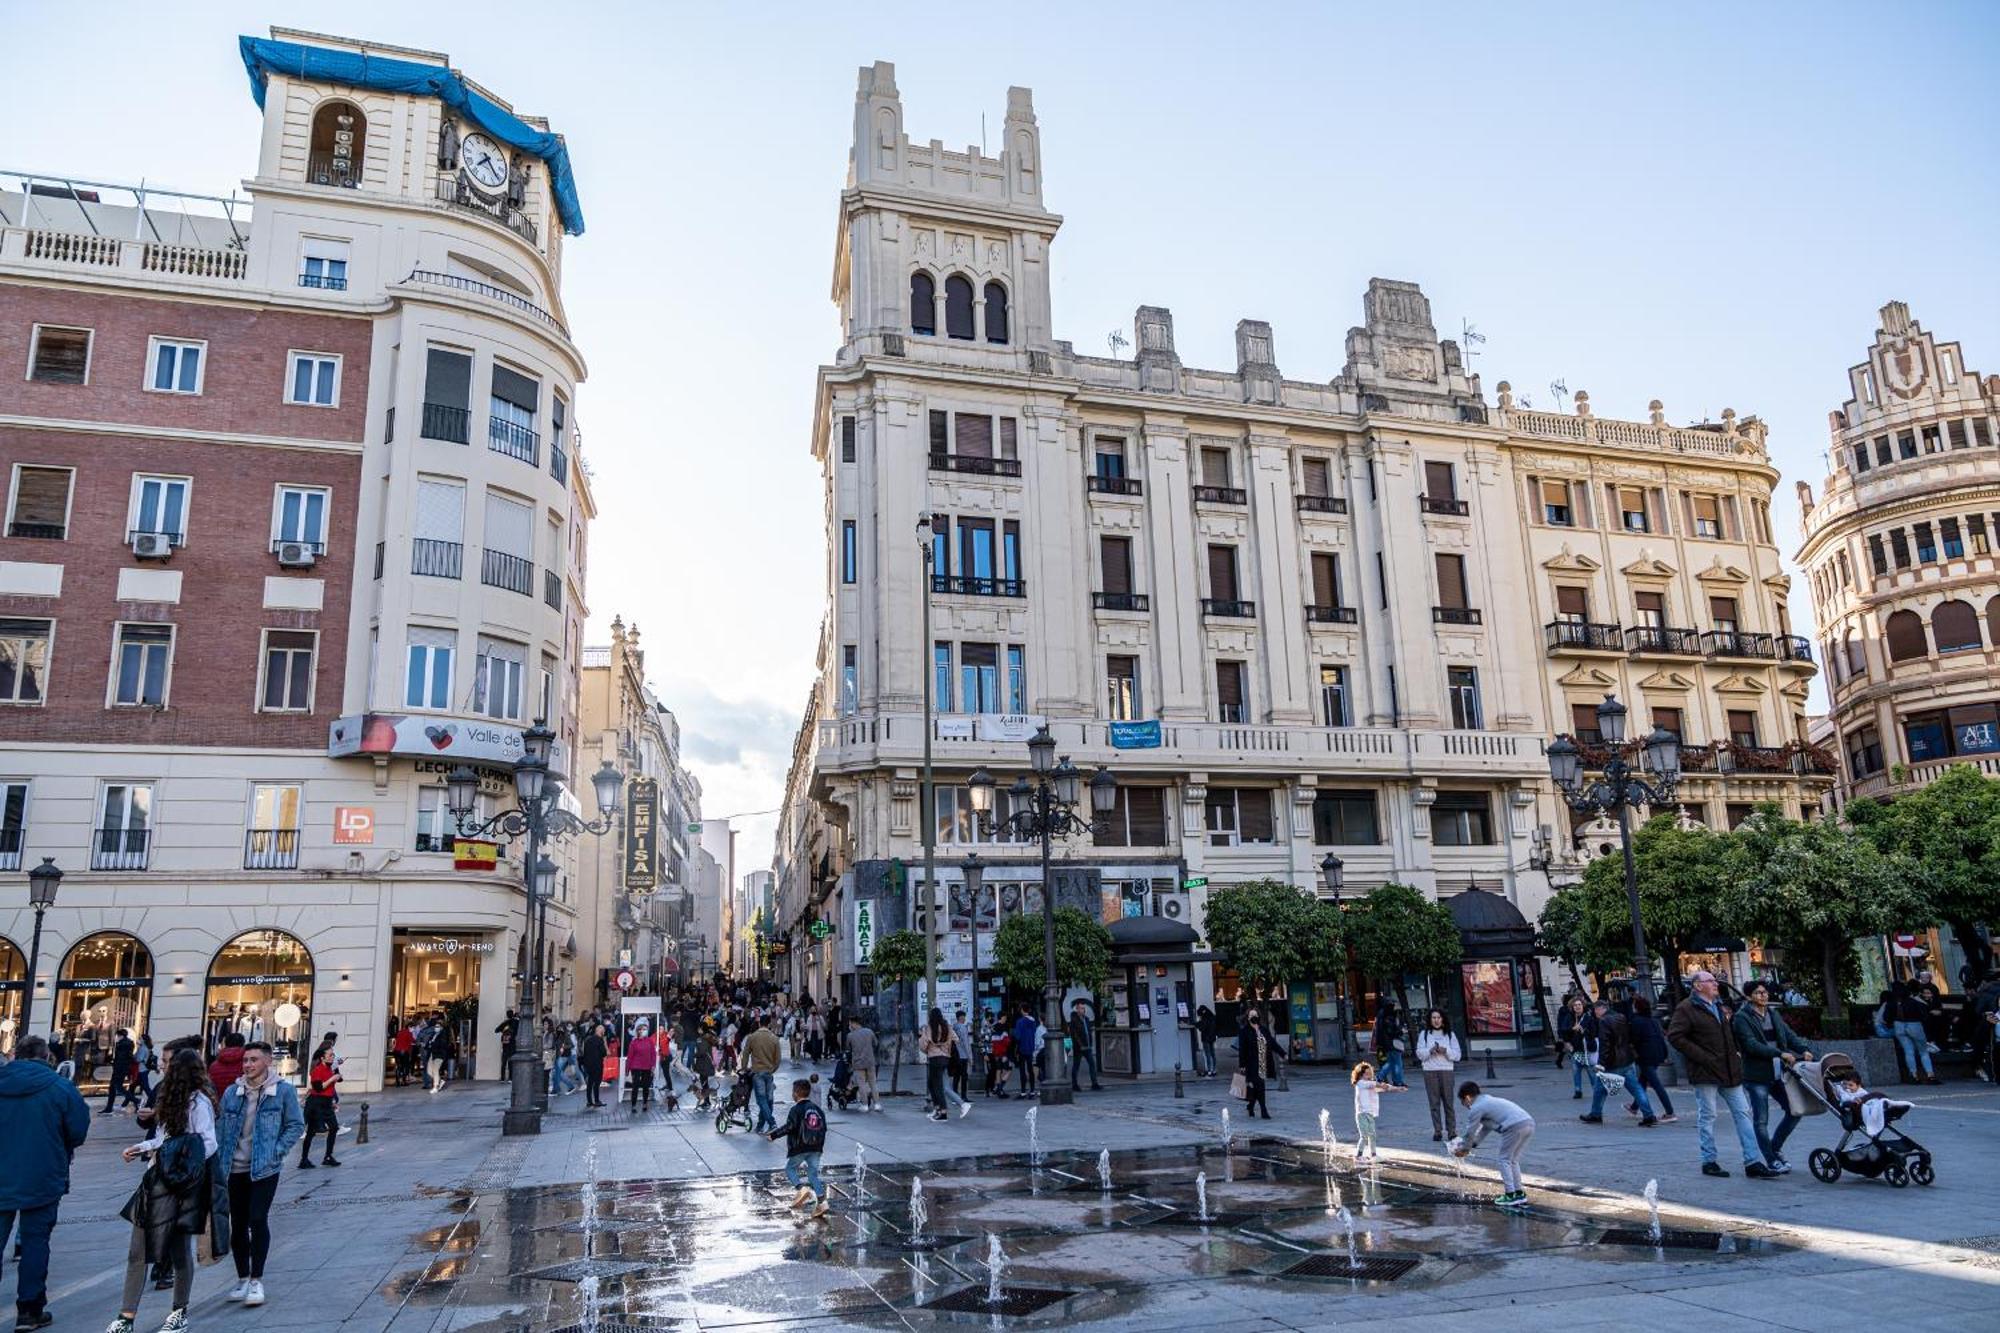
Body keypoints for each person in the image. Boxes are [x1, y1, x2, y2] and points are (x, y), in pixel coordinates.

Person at [111, 1049, 220, 1333]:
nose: (163, 1066)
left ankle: (179, 1311)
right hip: (156, 1178)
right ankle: (126, 1317)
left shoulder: (199, 1103)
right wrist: (143, 1148)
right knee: (138, 1249)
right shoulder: (169, 1099)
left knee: (179, 1250)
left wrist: (180, 1157)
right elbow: (163, 1138)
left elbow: (208, 1143)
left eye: (169, 1063)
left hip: (182, 1183)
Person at [0, 1035, 91, 1330]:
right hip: (42, 1173)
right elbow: (78, 1129)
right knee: (35, 1242)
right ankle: (29, 1309)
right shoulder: (60, 1087)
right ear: (47, 1056)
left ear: (16, 1054)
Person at [213, 1040, 303, 1309]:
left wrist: (277, 1152)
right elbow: (220, 1127)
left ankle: (256, 1279)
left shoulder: (283, 1091)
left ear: (267, 1062)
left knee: (257, 1218)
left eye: (253, 1060)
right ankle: (242, 1277)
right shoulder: (233, 1092)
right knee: (237, 1223)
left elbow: (295, 1124)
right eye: (245, 1060)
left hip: (264, 1168)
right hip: (233, 1167)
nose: (248, 1065)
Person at [1666, 970, 1776, 1180]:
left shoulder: (1717, 1005)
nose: (1716, 984)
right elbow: (1675, 1036)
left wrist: (1735, 1053)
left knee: (1743, 1113)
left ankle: (1752, 1161)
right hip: (1706, 1071)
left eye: (1715, 981)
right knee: (1708, 1115)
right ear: (1698, 986)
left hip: (1729, 1069)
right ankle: (1709, 1160)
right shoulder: (1686, 1008)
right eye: (1711, 981)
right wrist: (1702, 1056)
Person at [1733, 980, 1813, 1173]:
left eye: (1765, 992)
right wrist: (1779, 1053)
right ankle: (1771, 1159)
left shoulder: (1773, 1014)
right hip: (1756, 1075)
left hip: (1778, 1073)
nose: (1763, 996)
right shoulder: (1742, 1018)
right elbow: (1751, 1045)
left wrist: (1803, 1049)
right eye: (1759, 993)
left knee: (1794, 1110)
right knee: (1761, 1120)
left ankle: (1774, 1148)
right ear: (1749, 996)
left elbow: (1788, 1035)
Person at [1453, 1080, 1535, 1207]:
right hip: (1528, 1122)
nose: (1465, 1106)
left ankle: (1510, 1195)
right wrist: (1473, 1145)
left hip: (1513, 1126)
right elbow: (1487, 1127)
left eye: (1463, 1102)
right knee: (1513, 1160)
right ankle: (1519, 1194)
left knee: (1504, 1160)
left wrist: (1464, 1149)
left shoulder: (1476, 1108)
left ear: (1467, 1097)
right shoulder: (1487, 1100)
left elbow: (1470, 1132)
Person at [1580, 997, 1656, 1127]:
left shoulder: (1604, 1021)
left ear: (1600, 1009)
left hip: (1612, 1061)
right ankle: (1649, 1114)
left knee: (1599, 1087)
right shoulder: (1621, 1017)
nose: (1595, 1014)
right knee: (1636, 1088)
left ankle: (1595, 1114)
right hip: (1626, 1059)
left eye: (1595, 1011)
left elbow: (1605, 1043)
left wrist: (1601, 1063)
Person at [768, 1077, 829, 1219]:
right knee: (813, 1174)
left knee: (790, 1169)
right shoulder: (818, 1110)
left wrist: (773, 1135)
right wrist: (819, 1145)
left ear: (796, 1093)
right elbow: (824, 1128)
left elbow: (790, 1127)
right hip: (816, 1147)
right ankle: (822, 1201)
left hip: (800, 1146)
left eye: (792, 1092)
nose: (792, 1094)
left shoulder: (796, 1109)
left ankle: (801, 1189)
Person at [1627, 995, 1677, 1123]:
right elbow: (1660, 1037)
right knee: (1642, 1081)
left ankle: (1670, 1112)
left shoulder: (1637, 1021)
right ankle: (1634, 1107)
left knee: (1656, 1085)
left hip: (1645, 1056)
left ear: (1637, 1008)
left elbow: (1634, 1039)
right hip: (1657, 1054)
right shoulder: (1653, 1021)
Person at [1415, 1008, 1462, 1141]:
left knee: (1449, 1102)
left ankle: (1451, 1131)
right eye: (1434, 1018)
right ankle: (1437, 1131)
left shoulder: (1450, 1035)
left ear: (1443, 1019)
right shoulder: (1424, 1034)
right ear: (1430, 1020)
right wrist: (1430, 1050)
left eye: (1439, 1017)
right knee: (1434, 1103)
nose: (1436, 1020)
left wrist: (1445, 1051)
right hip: (1430, 1071)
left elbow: (1458, 1055)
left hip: (1447, 1070)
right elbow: (1419, 1054)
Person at [920, 1009, 971, 1120]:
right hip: (945, 1058)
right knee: (933, 1084)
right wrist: (946, 1045)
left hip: (934, 1058)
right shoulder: (947, 1026)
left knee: (937, 1086)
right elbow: (956, 1039)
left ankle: (943, 1112)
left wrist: (929, 1050)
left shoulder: (929, 1027)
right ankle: (938, 1109)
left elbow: (923, 1044)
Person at [1350, 1060, 1406, 1160]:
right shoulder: (1360, 1084)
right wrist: (1381, 1085)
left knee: (1372, 1135)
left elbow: (1385, 1088)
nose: (1368, 1076)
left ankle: (1373, 1155)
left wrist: (1398, 1088)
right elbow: (1375, 1084)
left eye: (1369, 1073)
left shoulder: (1371, 1085)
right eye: (1366, 1074)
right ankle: (1358, 1156)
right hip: (1362, 1114)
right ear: (1360, 1075)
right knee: (1364, 1135)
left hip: (1370, 1114)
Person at [300, 1041, 342, 1167]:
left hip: (326, 1102)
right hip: (316, 1103)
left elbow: (328, 1090)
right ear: (322, 1058)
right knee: (311, 1132)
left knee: (334, 1127)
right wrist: (332, 1079)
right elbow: (318, 1087)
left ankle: (328, 1156)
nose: (332, 1057)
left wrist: (332, 1102)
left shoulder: (329, 1069)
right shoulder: (317, 1070)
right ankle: (304, 1159)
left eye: (333, 1055)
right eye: (330, 1055)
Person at [1892, 982, 1939, 1085]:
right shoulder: (1914, 1002)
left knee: (1908, 1051)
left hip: (1898, 1025)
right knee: (1923, 1051)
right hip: (1914, 1024)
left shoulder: (1893, 1003)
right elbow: (1924, 1016)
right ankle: (1930, 1075)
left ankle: (1914, 1075)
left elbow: (1887, 1017)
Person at [743, 1014, 783, 1133]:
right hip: (769, 1072)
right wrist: (772, 1069)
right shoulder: (774, 1038)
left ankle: (771, 1123)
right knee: (768, 1100)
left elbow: (745, 1054)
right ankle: (761, 1125)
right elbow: (778, 1059)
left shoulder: (752, 1037)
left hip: (757, 1072)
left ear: (760, 1023)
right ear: (769, 1023)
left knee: (761, 1100)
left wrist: (745, 1068)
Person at [1237, 1007, 1278, 1120]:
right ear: (1248, 1018)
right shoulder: (1244, 1031)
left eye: (1255, 1015)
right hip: (1251, 1064)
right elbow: (1242, 1049)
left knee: (1257, 1087)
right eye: (1251, 1015)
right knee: (1259, 1086)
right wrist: (1242, 1065)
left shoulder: (1263, 1030)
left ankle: (1250, 1106)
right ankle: (1263, 1110)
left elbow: (1272, 1042)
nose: (1254, 1017)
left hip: (1262, 1062)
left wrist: (1283, 1053)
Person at [1556, 995, 1596, 1099]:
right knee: (1576, 1070)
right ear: (1572, 1007)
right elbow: (1564, 1031)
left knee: (1590, 1071)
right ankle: (1578, 1090)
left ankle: (1596, 1090)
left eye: (1579, 1005)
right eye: (1575, 1005)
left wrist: (1583, 1031)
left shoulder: (1588, 1018)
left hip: (1586, 1048)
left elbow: (1594, 1032)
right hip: (1575, 1048)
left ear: (1583, 1006)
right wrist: (1572, 1029)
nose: (1577, 1007)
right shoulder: (1569, 1018)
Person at [1066, 999, 1105, 1092]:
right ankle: (1074, 1084)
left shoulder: (1086, 1019)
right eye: (1081, 1008)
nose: (1082, 1010)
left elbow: (1088, 1032)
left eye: (1083, 1008)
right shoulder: (1074, 1020)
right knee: (1076, 1065)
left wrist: (1089, 1043)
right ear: (1077, 1009)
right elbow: (1074, 1034)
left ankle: (1094, 1083)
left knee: (1092, 1063)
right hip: (1079, 1047)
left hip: (1087, 1046)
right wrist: (1080, 1045)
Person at [845, 1017, 880, 1112]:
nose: (849, 1026)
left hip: (858, 1063)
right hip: (870, 1061)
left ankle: (865, 1105)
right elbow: (876, 1043)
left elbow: (848, 1048)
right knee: (873, 1083)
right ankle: (877, 1104)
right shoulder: (869, 1032)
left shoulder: (850, 1035)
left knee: (862, 1084)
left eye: (850, 1024)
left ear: (853, 1023)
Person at [1373, 1002, 1407, 1087]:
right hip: (1393, 1043)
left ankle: (1380, 1078)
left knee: (1391, 1062)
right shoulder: (1389, 1018)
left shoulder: (1382, 1015)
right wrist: (1401, 1031)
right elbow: (1391, 1032)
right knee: (1397, 1063)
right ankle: (1396, 1081)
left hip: (1387, 1043)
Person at [626, 1024, 658, 1111]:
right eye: (643, 1029)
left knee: (646, 1086)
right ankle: (633, 1105)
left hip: (647, 1067)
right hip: (636, 1066)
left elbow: (653, 1054)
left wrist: (653, 1065)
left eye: (645, 1029)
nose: (644, 1031)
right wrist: (627, 1069)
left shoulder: (649, 1041)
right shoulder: (634, 1042)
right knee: (635, 1086)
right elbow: (630, 1056)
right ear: (638, 1031)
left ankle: (645, 1103)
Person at [1011, 1005, 1041, 1098]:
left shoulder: (1020, 1022)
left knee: (1022, 1070)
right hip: (1031, 1047)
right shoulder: (1033, 1022)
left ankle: (1023, 1091)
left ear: (1023, 1011)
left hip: (1022, 1047)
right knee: (1030, 1069)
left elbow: (1017, 1036)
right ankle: (1032, 1090)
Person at [580, 1024, 608, 1108]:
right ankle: (597, 1100)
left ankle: (589, 1101)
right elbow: (603, 1053)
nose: (604, 1032)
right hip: (598, 1064)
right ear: (601, 1031)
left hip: (588, 1064)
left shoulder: (588, 1039)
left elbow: (584, 1052)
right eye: (603, 1031)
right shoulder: (600, 1040)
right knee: (597, 1083)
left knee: (590, 1083)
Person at [426, 1016, 455, 1094]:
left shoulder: (443, 1035)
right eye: (436, 1026)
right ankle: (439, 1081)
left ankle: (436, 1086)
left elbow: (442, 1045)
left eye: (438, 1026)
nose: (436, 1027)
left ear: (441, 1027)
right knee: (429, 1071)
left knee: (435, 1070)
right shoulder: (433, 1034)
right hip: (432, 1054)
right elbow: (429, 1042)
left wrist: (433, 1044)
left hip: (439, 1054)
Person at [949, 1009, 971, 1101]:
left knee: (956, 1076)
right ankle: (964, 1096)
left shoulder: (954, 1027)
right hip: (963, 1055)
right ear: (961, 1017)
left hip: (955, 1055)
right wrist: (970, 1056)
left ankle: (954, 1094)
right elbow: (966, 1043)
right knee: (964, 1076)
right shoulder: (963, 1027)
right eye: (964, 1017)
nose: (965, 1018)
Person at [1195, 1005, 1218, 1077]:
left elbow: (1202, 1028)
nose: (1199, 1017)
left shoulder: (1204, 1019)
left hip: (1206, 1038)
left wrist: (1197, 1025)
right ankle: (1214, 1069)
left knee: (1207, 1054)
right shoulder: (1212, 1017)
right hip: (1212, 1037)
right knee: (1212, 1053)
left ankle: (1209, 1070)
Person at [392, 1023, 416, 1087]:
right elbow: (413, 1041)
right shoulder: (409, 1033)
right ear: (409, 1027)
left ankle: (397, 1081)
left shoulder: (400, 1032)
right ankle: (404, 1081)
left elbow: (395, 1041)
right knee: (405, 1066)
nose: (413, 1029)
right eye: (413, 1027)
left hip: (396, 1051)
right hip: (404, 1051)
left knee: (399, 1066)